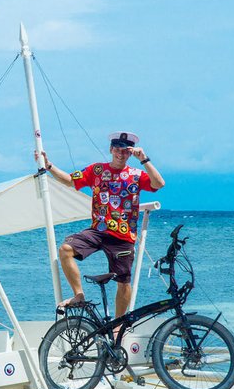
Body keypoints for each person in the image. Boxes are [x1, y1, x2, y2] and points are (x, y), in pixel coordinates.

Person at [36, 131, 165, 318]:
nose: (121, 154)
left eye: (126, 151)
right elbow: (70, 180)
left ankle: (118, 325)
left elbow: (159, 183)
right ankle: (78, 295)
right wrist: (49, 166)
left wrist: (144, 159)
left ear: (131, 154)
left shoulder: (136, 175)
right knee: (65, 250)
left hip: (123, 236)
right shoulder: (97, 170)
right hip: (98, 230)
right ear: (111, 149)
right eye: (118, 150)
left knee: (123, 282)